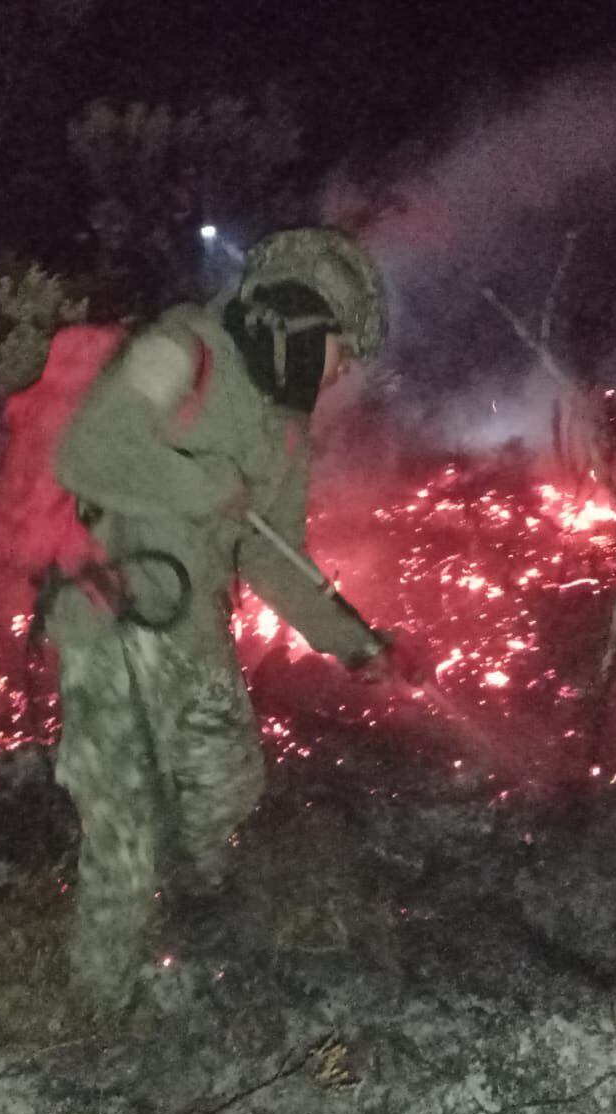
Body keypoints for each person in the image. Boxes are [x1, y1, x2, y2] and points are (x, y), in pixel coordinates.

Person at [44, 227, 421, 1017]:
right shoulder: (182, 352)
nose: (344, 371)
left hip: (193, 633)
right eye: (342, 351)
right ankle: (89, 1019)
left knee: (229, 785)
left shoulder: (286, 429)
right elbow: (87, 452)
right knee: (124, 843)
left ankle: (184, 916)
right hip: (110, 625)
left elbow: (276, 555)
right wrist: (203, 488)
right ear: (300, 321)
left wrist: (356, 646)